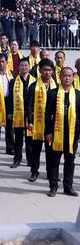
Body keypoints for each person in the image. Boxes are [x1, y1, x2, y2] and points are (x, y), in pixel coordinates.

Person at [44, 67, 79, 197]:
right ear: (60, 77)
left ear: (72, 78)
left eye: (69, 76)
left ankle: (68, 187)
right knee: (54, 161)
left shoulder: (78, 94)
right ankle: (53, 186)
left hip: (72, 134)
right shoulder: (53, 93)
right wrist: (48, 132)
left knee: (70, 161)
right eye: (65, 75)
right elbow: (48, 114)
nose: (67, 78)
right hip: (56, 132)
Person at [26, 58, 57, 182]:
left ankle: (51, 173)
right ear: (40, 71)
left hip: (51, 124)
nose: (47, 73)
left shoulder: (56, 87)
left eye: (50, 70)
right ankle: (34, 171)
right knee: (36, 150)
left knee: (51, 151)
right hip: (37, 122)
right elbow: (28, 105)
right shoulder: (34, 86)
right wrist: (30, 121)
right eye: (45, 70)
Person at [9, 58, 35, 169]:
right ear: (18, 67)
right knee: (18, 139)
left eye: (26, 65)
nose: (24, 67)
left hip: (31, 113)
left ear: (29, 67)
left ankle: (30, 160)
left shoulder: (35, 81)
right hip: (18, 113)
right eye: (22, 65)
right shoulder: (13, 81)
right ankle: (17, 159)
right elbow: (9, 98)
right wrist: (10, 112)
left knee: (30, 139)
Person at [0, 53, 14, 155]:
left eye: (3, 62)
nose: (1, 64)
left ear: (7, 62)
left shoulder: (12, 74)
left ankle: (10, 147)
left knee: (9, 126)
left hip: (8, 101)